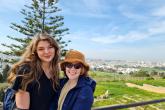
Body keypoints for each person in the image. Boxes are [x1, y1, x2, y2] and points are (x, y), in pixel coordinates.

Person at [7, 32, 60, 110]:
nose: (46, 51)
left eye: (50, 47)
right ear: (35, 52)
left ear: (55, 49)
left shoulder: (55, 71)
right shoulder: (27, 71)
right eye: (41, 49)